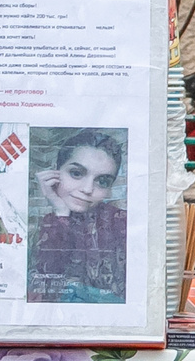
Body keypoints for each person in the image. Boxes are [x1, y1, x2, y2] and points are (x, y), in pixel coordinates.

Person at [30, 128, 129, 303]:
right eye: (76, 173)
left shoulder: (122, 223)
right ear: (56, 171)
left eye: (102, 181)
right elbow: (43, 290)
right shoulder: (45, 224)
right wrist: (61, 212)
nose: (87, 189)